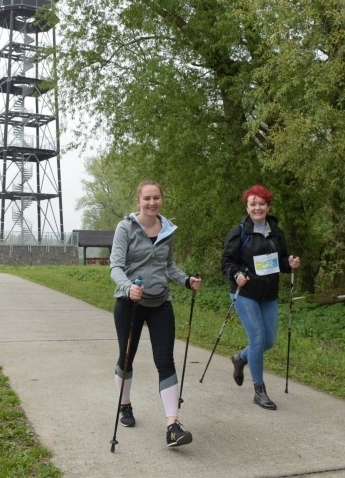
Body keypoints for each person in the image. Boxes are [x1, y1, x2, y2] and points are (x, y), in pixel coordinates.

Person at [110, 180, 202, 448]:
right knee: (127, 358)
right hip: (130, 303)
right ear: (138, 201)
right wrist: (128, 288)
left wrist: (186, 281)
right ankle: (125, 404)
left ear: (162, 200)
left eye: (156, 198)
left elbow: (168, 265)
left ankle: (172, 426)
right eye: (147, 198)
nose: (152, 202)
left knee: (165, 360)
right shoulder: (125, 227)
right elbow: (115, 266)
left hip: (160, 302)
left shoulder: (168, 229)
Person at [220, 184, 300, 411]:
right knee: (257, 338)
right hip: (245, 293)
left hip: (269, 294)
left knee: (269, 341)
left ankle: (240, 358)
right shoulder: (239, 232)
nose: (257, 208)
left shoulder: (276, 232)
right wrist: (236, 274)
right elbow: (226, 262)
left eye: (261, 204)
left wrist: (290, 263)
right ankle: (259, 390)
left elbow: (281, 261)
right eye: (253, 204)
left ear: (268, 206)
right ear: (247, 207)